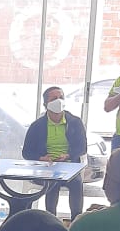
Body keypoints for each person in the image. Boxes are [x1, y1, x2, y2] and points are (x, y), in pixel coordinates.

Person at [22, 86, 87, 219]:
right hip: (46, 168)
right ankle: (51, 219)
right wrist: (41, 158)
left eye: (61, 97)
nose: (58, 101)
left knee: (76, 183)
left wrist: (68, 155)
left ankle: (76, 220)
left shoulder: (75, 122)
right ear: (46, 104)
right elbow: (26, 152)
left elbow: (82, 147)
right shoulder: (37, 126)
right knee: (52, 183)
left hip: (69, 166)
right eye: (54, 98)